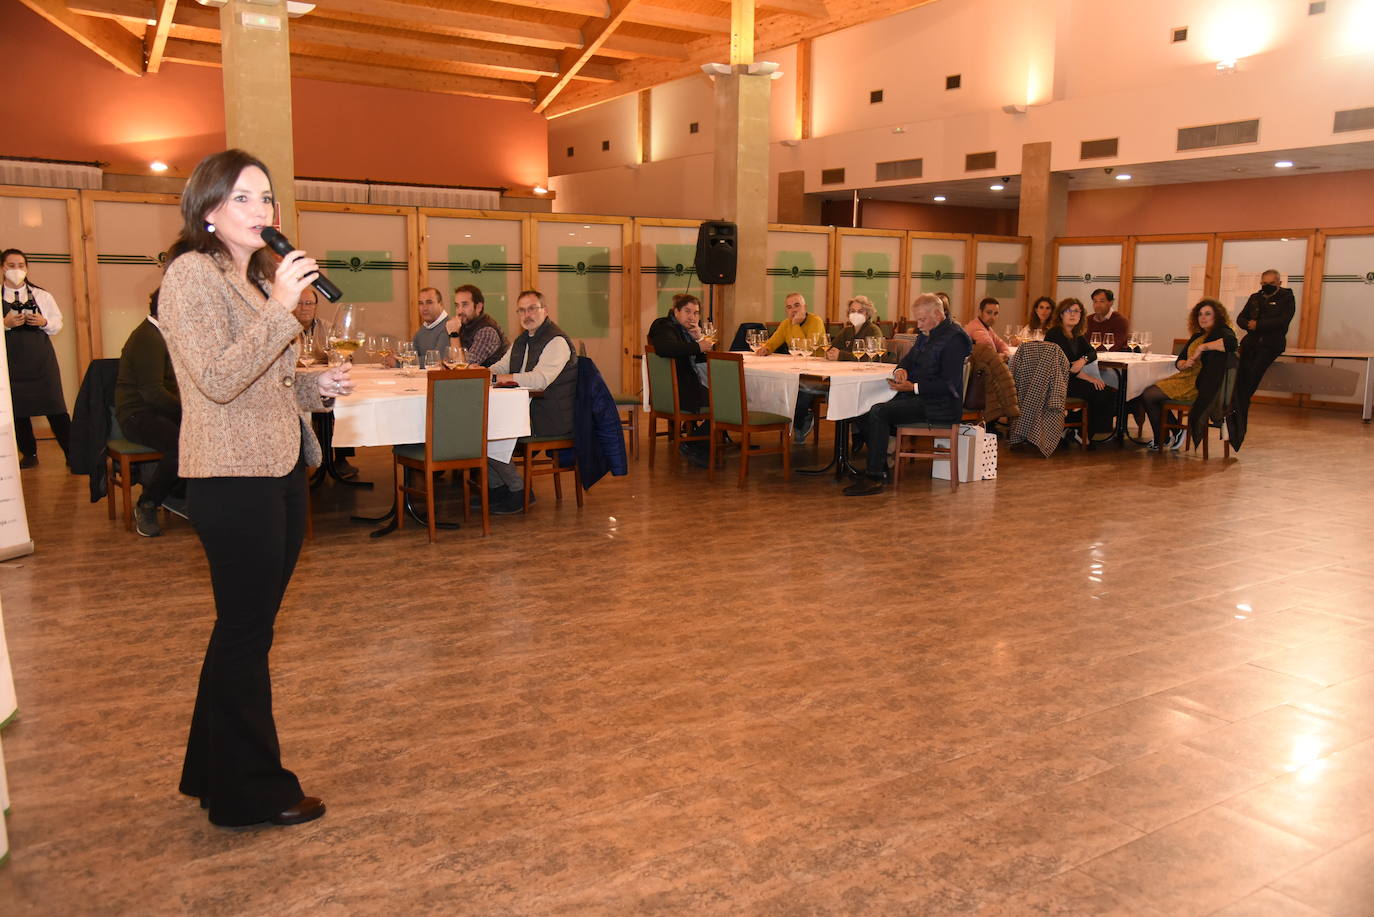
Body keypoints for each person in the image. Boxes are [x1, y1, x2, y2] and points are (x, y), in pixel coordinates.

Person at [159, 148, 354, 829]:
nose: (261, 210)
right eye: (243, 197)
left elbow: (264, 380)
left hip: (278, 471)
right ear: (208, 211)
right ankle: (251, 791)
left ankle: (211, 771)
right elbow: (214, 379)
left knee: (243, 631)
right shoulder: (189, 277)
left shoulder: (250, 280)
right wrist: (281, 309)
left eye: (266, 198)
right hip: (230, 477)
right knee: (246, 633)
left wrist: (312, 385)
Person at [843, 293, 971, 496]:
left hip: (940, 405)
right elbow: (908, 361)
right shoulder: (926, 332)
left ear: (938, 314)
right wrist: (900, 371)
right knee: (863, 406)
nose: (918, 325)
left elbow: (949, 385)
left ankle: (875, 477)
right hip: (919, 397)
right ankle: (879, 467)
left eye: (922, 319)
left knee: (878, 412)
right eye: (917, 320)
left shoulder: (955, 338)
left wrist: (913, 388)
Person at [486, 290, 577, 514]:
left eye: (532, 308)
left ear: (545, 311)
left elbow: (540, 380)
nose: (527, 314)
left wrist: (499, 378)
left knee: (490, 432)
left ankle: (519, 490)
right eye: (522, 310)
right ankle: (498, 488)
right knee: (478, 428)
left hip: (549, 415)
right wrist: (477, 374)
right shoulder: (521, 340)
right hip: (526, 409)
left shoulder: (556, 341)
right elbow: (501, 367)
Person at [115, 288, 185, 536]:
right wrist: (187, 413)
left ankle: (179, 493)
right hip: (137, 414)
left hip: (155, 410)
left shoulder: (162, 335)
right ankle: (148, 503)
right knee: (180, 444)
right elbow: (152, 393)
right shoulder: (148, 338)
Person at [1136, 299, 1237, 452]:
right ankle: (1171, 434)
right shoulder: (1197, 336)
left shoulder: (1222, 331)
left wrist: (1203, 347)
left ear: (1217, 316)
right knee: (1147, 393)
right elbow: (1180, 360)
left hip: (1199, 383)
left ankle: (1165, 437)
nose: (1203, 317)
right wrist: (1183, 364)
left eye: (1208, 314)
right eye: (1200, 314)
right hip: (1184, 378)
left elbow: (1232, 343)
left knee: (1149, 395)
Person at [2, 248, 72, 468]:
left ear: (27, 268)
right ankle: (29, 454)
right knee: (18, 411)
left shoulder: (42, 295)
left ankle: (73, 454)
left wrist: (43, 322)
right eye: (11, 265)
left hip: (41, 362)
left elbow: (57, 323)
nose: (16, 270)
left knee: (56, 408)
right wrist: (5, 324)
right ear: (2, 268)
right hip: (11, 363)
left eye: (21, 265)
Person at [793, 295, 881, 444]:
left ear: (867, 314)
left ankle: (859, 432)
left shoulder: (873, 330)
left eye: (860, 311)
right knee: (802, 389)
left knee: (813, 390)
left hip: (863, 382)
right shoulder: (847, 331)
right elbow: (831, 348)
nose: (855, 314)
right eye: (852, 311)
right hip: (842, 378)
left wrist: (841, 355)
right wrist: (832, 353)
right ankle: (800, 425)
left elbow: (869, 358)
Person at [295, 285, 358, 478]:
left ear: (316, 307)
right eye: (300, 303)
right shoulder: (286, 328)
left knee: (341, 407)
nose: (304, 307)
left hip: (324, 381)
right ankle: (310, 460)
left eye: (309, 303)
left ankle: (341, 459)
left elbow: (343, 356)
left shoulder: (327, 327)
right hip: (297, 384)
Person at [646, 292, 715, 465]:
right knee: (727, 403)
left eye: (696, 313)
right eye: (687, 311)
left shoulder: (686, 332)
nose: (692, 317)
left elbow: (704, 360)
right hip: (678, 391)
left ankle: (695, 441)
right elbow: (665, 348)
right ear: (676, 311)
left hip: (684, 387)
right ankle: (696, 445)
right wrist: (697, 345)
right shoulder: (664, 326)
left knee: (723, 398)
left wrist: (698, 337)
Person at [1230, 269, 1295, 449]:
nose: (1265, 286)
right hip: (1250, 343)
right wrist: (1248, 324)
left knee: (1250, 380)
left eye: (1270, 283)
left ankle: (1238, 421)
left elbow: (1282, 321)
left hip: (1270, 345)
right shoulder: (1255, 297)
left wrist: (1258, 325)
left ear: (1279, 283)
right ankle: (1236, 417)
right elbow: (1241, 318)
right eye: (1263, 283)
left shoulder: (1287, 298)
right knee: (1239, 379)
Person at [1045, 297, 1115, 441]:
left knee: (1109, 392)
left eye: (1077, 311)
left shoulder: (1077, 335)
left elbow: (1092, 353)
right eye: (1068, 311)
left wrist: (1083, 360)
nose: (1073, 314)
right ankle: (1081, 431)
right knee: (1102, 393)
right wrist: (1089, 378)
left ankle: (1076, 428)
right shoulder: (1054, 334)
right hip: (1058, 383)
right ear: (1061, 314)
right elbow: (1064, 367)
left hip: (1072, 380)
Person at [445, 283, 508, 368]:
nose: (459, 311)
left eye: (465, 305)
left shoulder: (487, 331)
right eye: (457, 305)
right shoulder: (464, 325)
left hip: (494, 380)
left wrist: (454, 335)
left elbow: (462, 367)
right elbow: (451, 362)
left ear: (479, 307)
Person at [754, 292, 825, 355]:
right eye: (789, 307)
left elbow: (806, 349)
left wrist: (795, 325)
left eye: (797, 305)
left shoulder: (816, 321)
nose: (793, 310)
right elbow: (772, 343)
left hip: (816, 364)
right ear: (786, 311)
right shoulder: (786, 323)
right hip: (795, 363)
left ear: (805, 307)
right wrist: (766, 349)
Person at [411, 287, 450, 366]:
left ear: (441, 304)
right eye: (421, 303)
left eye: (429, 302)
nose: (424, 308)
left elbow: (437, 360)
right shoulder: (423, 329)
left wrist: (398, 362)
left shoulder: (448, 327)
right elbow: (412, 355)